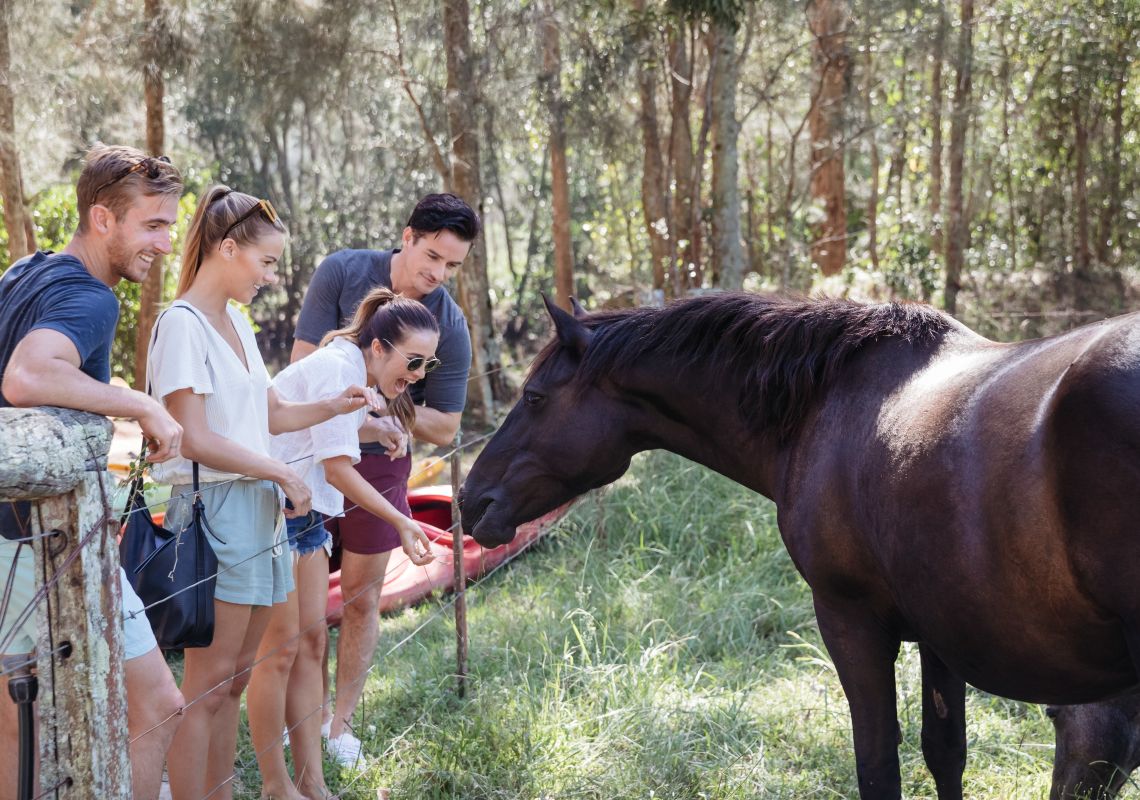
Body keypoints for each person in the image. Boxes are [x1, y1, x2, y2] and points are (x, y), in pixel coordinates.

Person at [147, 185, 381, 800]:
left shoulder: (238, 323)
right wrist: (279, 473)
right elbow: (192, 436)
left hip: (260, 513)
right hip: (218, 510)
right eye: (267, 263)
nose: (272, 278)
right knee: (206, 684)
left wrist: (337, 403)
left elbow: (271, 412)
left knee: (234, 681)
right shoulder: (181, 325)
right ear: (227, 248)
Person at [0, 143, 185, 800]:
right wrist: (140, 403)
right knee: (153, 708)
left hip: (28, 539)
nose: (166, 243)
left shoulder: (27, 272)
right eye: (154, 224)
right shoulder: (91, 299)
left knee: (20, 733)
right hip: (33, 549)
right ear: (103, 218)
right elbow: (27, 376)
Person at [291, 193, 478, 766]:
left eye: (451, 266)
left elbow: (445, 425)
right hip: (307, 457)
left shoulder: (450, 321)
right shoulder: (343, 272)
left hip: (382, 467)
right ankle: (304, 717)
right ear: (406, 235)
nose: (438, 274)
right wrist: (363, 413)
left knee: (360, 601)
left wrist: (382, 417)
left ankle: (340, 729)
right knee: (304, 612)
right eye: (431, 256)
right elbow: (303, 372)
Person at [247, 288, 437, 799]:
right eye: (412, 361)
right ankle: (276, 785)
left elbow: (331, 424)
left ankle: (314, 784)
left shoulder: (355, 370)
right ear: (378, 347)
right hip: (270, 513)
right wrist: (403, 520)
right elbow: (338, 468)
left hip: (304, 514)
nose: (417, 375)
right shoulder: (338, 367)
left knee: (311, 644)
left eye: (427, 364)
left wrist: (376, 426)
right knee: (278, 654)